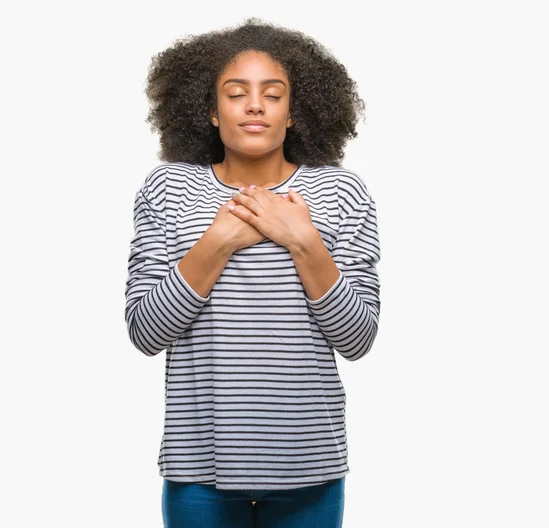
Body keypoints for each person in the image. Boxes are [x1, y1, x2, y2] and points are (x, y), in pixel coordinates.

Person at [124, 17, 381, 528]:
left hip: (310, 465)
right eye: (236, 93)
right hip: (199, 469)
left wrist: (303, 240)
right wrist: (218, 240)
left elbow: (358, 338)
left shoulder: (342, 193)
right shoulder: (167, 189)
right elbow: (145, 332)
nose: (256, 105)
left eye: (274, 94)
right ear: (212, 113)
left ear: (293, 113)